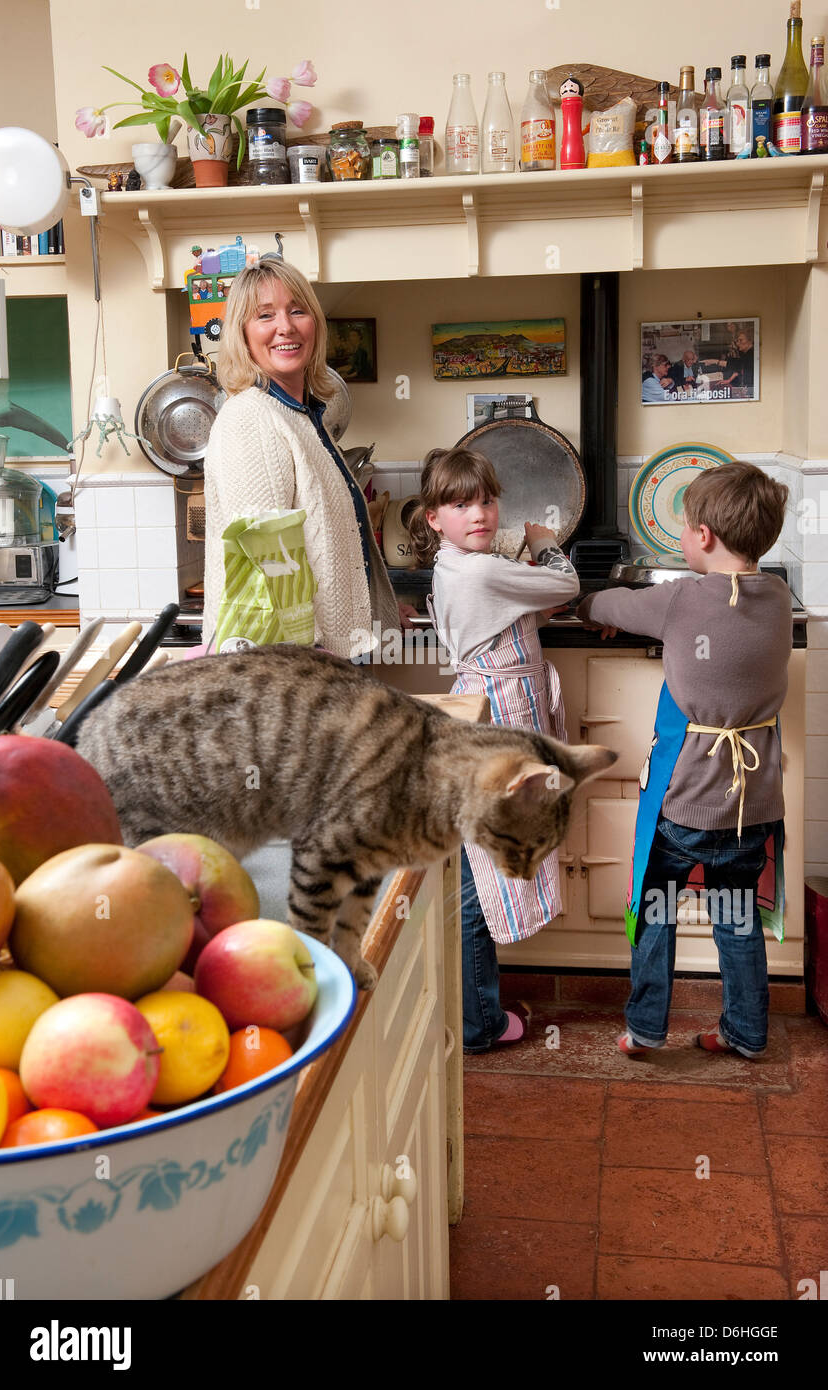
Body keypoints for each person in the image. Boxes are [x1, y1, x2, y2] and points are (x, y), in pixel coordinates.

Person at [578, 461, 791, 1059]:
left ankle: (645, 1029)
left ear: (702, 537)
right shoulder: (777, 596)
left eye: (684, 528)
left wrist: (591, 604)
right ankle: (746, 1033)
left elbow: (604, 605)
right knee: (738, 918)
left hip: (685, 801)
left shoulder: (679, 601)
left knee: (654, 913)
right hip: (752, 803)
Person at [409, 447, 580, 1052]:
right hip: (501, 719)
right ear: (434, 519)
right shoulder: (483, 569)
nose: (478, 513)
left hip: (487, 712)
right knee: (483, 873)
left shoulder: (461, 563)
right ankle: (479, 1022)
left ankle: (474, 1009)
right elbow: (567, 583)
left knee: (476, 864)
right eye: (460, 505)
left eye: (485, 499)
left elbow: (532, 599)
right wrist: (543, 541)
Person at [203, 258, 413, 654]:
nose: (286, 326)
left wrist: (377, 614)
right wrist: (306, 660)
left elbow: (331, 548)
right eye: (265, 315)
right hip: (291, 662)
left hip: (326, 656)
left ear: (314, 323)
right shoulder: (251, 417)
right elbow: (267, 563)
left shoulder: (303, 416)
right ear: (243, 335)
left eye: (297, 310)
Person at [721, 327, 755, 393]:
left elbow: (738, 365)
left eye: (741, 340)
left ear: (750, 341)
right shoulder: (745, 354)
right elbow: (739, 370)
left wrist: (716, 362)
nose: (738, 343)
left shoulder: (751, 355)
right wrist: (729, 380)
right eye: (738, 341)